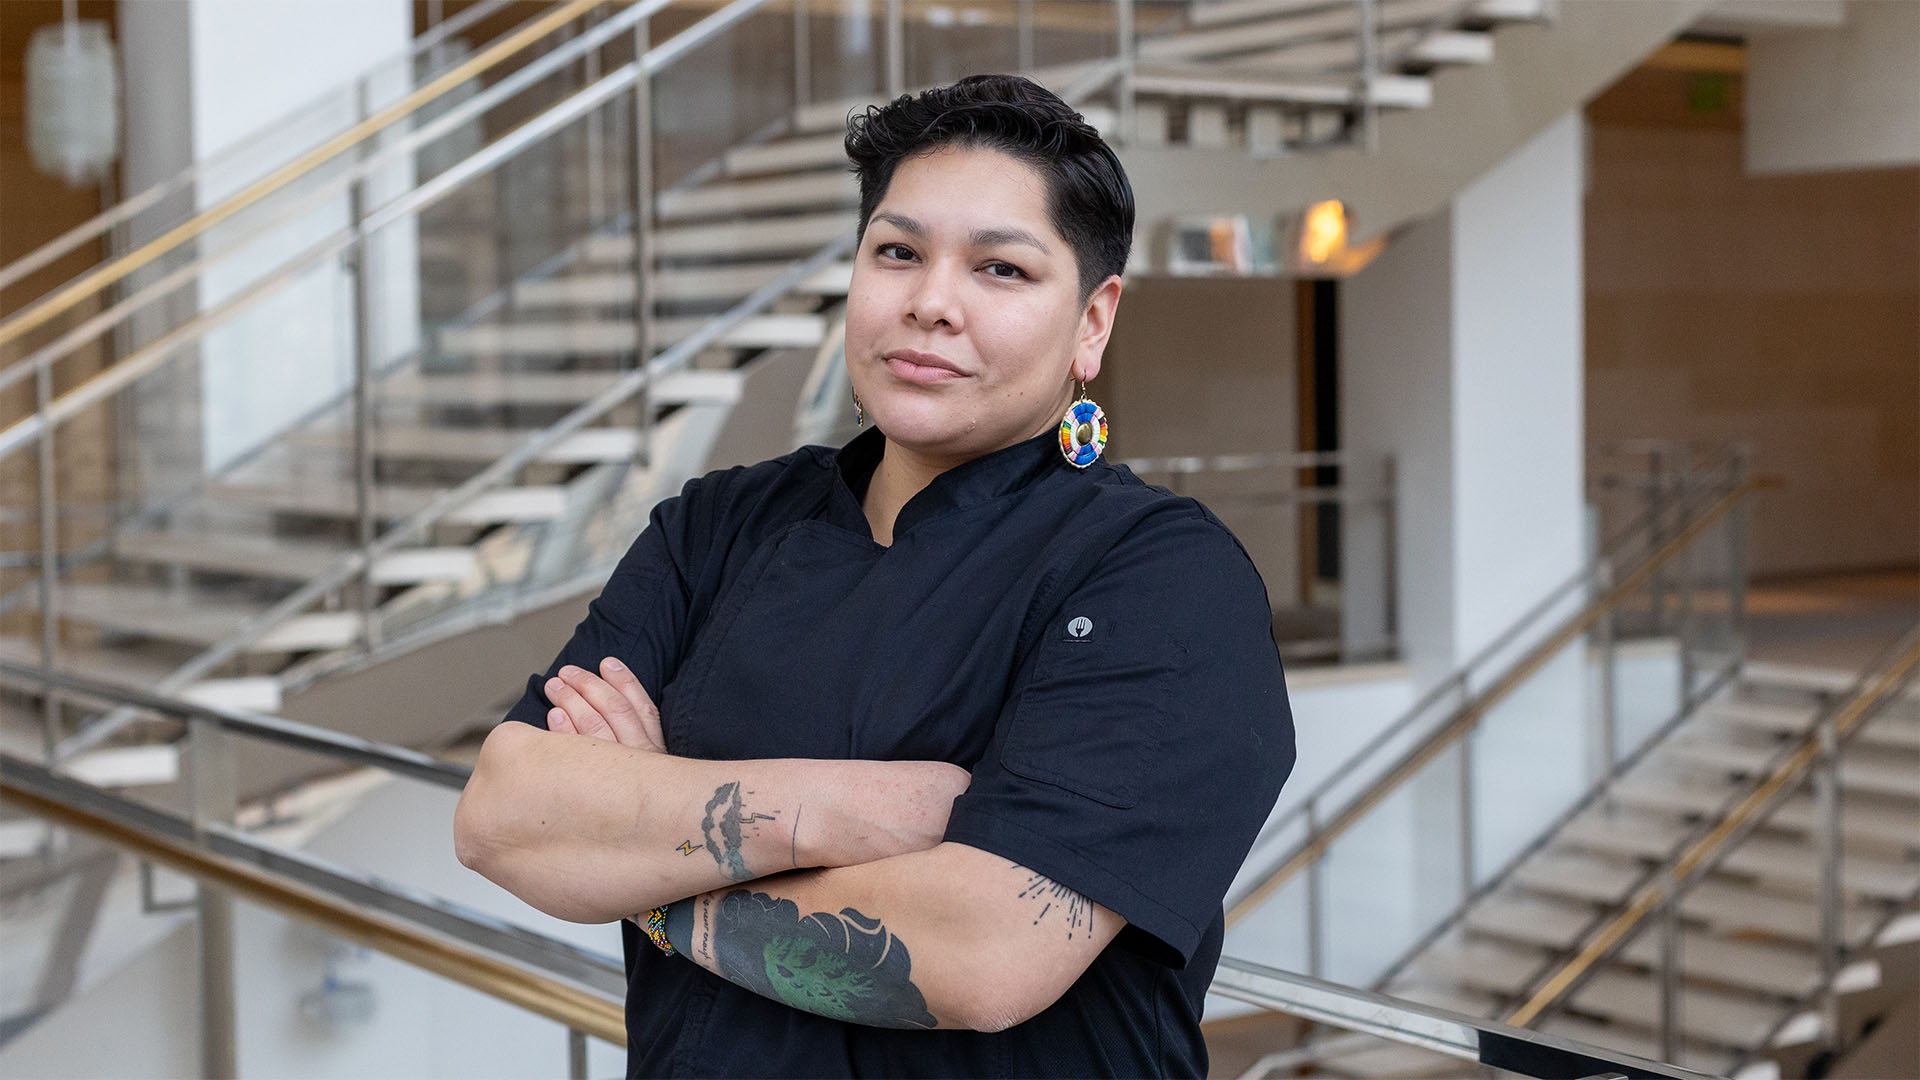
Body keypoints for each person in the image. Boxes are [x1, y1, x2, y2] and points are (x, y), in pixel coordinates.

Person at [454, 73, 1295, 1078]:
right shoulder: (717, 526)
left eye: (1001, 270)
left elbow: (982, 955)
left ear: (1094, 322)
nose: (931, 303)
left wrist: (638, 842)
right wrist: (833, 813)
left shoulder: (1162, 579)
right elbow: (502, 816)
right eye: (898, 252)